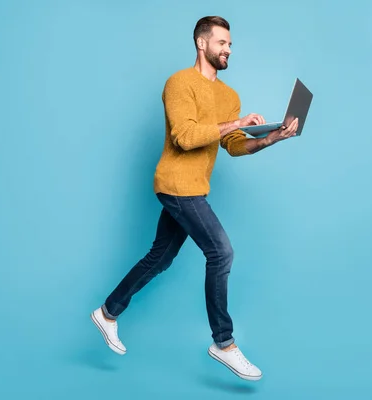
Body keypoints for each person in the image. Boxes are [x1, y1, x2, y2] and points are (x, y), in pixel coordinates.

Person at [90, 15, 299, 381]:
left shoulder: (229, 96)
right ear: (202, 43)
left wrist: (270, 137)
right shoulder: (179, 83)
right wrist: (236, 123)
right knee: (221, 252)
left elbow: (233, 147)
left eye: (230, 44)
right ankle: (224, 342)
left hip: (195, 186)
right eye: (222, 43)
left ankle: (107, 313)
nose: (228, 49)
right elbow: (184, 137)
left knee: (161, 257)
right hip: (175, 183)